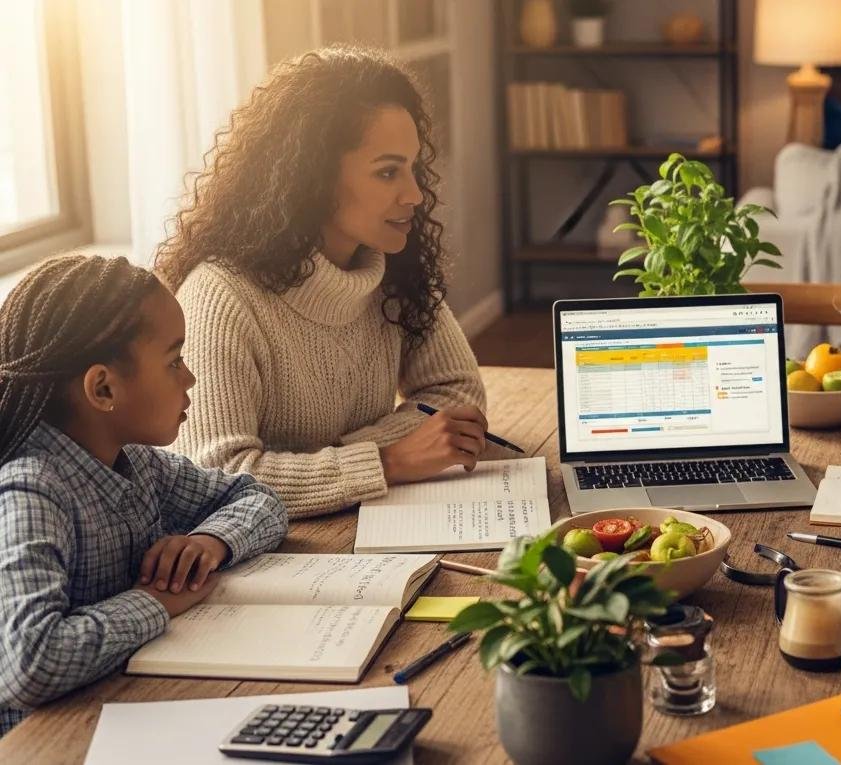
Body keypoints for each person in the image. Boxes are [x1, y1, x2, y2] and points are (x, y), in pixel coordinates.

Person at [155, 46, 488, 519]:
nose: (415, 194)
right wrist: (387, 461)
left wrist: (345, 458)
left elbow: (457, 396)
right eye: (388, 172)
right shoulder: (219, 296)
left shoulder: (393, 266)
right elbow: (216, 477)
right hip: (262, 547)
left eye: (413, 169)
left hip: (359, 518)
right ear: (311, 177)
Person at [0, 255, 288, 736]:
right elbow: (28, 662)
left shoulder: (137, 463)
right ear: (103, 388)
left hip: (128, 704)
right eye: (174, 361)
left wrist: (211, 542)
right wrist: (155, 601)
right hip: (53, 743)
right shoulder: (32, 491)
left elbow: (259, 498)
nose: (190, 378)